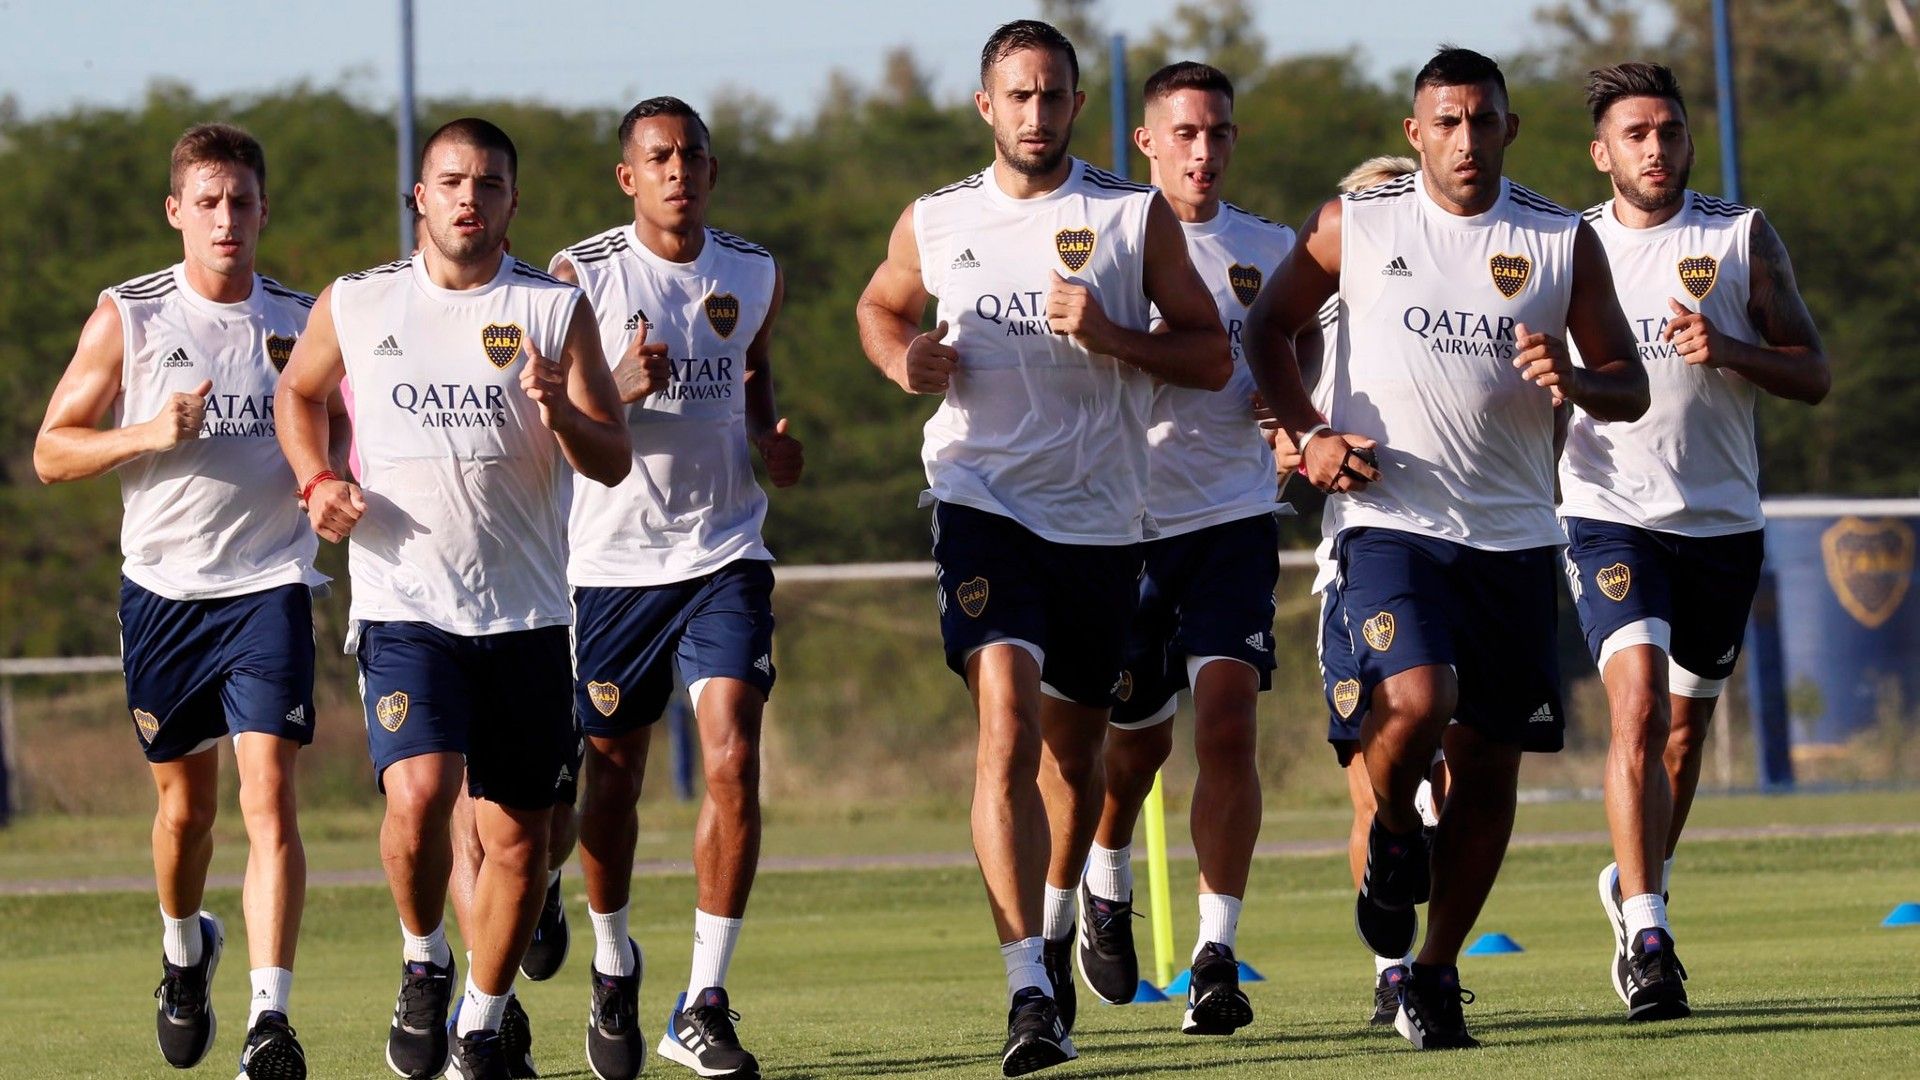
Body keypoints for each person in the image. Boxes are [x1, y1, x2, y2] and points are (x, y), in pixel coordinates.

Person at [1242, 46, 1648, 1050]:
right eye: (1447, 122)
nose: (1466, 140)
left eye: (1484, 121)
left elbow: (1628, 384)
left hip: (1515, 536)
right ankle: (1389, 830)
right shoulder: (1357, 224)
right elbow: (1266, 328)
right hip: (1391, 523)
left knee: (1490, 767)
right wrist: (1308, 435)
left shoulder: (1559, 241)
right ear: (1416, 132)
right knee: (1420, 699)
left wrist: (1576, 379)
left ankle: (1432, 973)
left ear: (1509, 129)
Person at [856, 19, 1227, 1076]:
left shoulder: (1128, 212)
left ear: (1074, 104)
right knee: (1005, 727)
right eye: (1018, 96)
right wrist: (903, 359)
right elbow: (878, 307)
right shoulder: (939, 219)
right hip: (981, 498)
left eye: (1053, 95)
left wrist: (1114, 337)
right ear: (987, 107)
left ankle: (1066, 916)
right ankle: (1027, 986)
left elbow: (1207, 355)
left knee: (1079, 758)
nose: (1036, 113)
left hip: (1103, 520)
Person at [275, 117, 630, 1080]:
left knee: (523, 839)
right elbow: (298, 395)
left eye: (489, 183)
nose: (469, 196)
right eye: (451, 180)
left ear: (513, 203)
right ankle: (424, 958)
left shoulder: (554, 311)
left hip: (524, 616)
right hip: (404, 606)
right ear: (420, 198)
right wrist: (317, 483)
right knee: (424, 792)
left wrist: (559, 410)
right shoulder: (359, 302)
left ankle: (481, 1022)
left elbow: (612, 456)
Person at [34, 122, 329, 1080]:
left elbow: (358, 425)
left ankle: (270, 1024)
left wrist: (333, 488)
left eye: (242, 201)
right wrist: (149, 433)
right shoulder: (132, 317)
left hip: (269, 587)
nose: (226, 219)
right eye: (207, 202)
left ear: (264, 209)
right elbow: (51, 451)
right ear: (176, 214)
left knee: (269, 799)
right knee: (184, 815)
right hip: (164, 593)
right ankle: (182, 947)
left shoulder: (299, 320)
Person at [1561, 61, 1829, 1021]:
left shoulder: (1739, 235)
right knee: (1634, 714)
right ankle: (1649, 937)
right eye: (1635, 135)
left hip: (1722, 521)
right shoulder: (1569, 246)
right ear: (1603, 154)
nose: (1656, 149)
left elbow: (1813, 373)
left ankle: (1639, 883)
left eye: (1669, 132)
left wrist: (1735, 351)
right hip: (1607, 509)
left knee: (1682, 737)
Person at [549, 94, 803, 1080]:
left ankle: (705, 1000)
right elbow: (553, 421)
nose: (677, 171)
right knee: (611, 781)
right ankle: (614, 964)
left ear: (710, 168)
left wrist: (769, 443)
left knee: (733, 758)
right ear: (628, 176)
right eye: (658, 157)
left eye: (692, 155)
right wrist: (617, 386)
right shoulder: (580, 275)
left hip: (724, 554)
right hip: (610, 567)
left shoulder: (753, 271)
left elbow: (755, 378)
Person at [1073, 61, 1293, 1038]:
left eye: (1220, 133)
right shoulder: (1107, 240)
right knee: (1137, 748)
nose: (1205, 152)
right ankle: (1105, 869)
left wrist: (1295, 417)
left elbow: (1303, 348)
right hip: (1124, 525)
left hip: (1235, 518)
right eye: (1186, 134)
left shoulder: (1271, 248)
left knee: (1229, 726)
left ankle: (1214, 954)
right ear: (1148, 145)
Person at [1297, 154, 1458, 1027]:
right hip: (1359, 567)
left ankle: (1438, 959)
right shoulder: (1319, 316)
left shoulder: (1456, 300)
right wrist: (1299, 440)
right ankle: (1393, 967)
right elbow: (1273, 405)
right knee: (1371, 777)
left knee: (1464, 764)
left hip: (1473, 558)